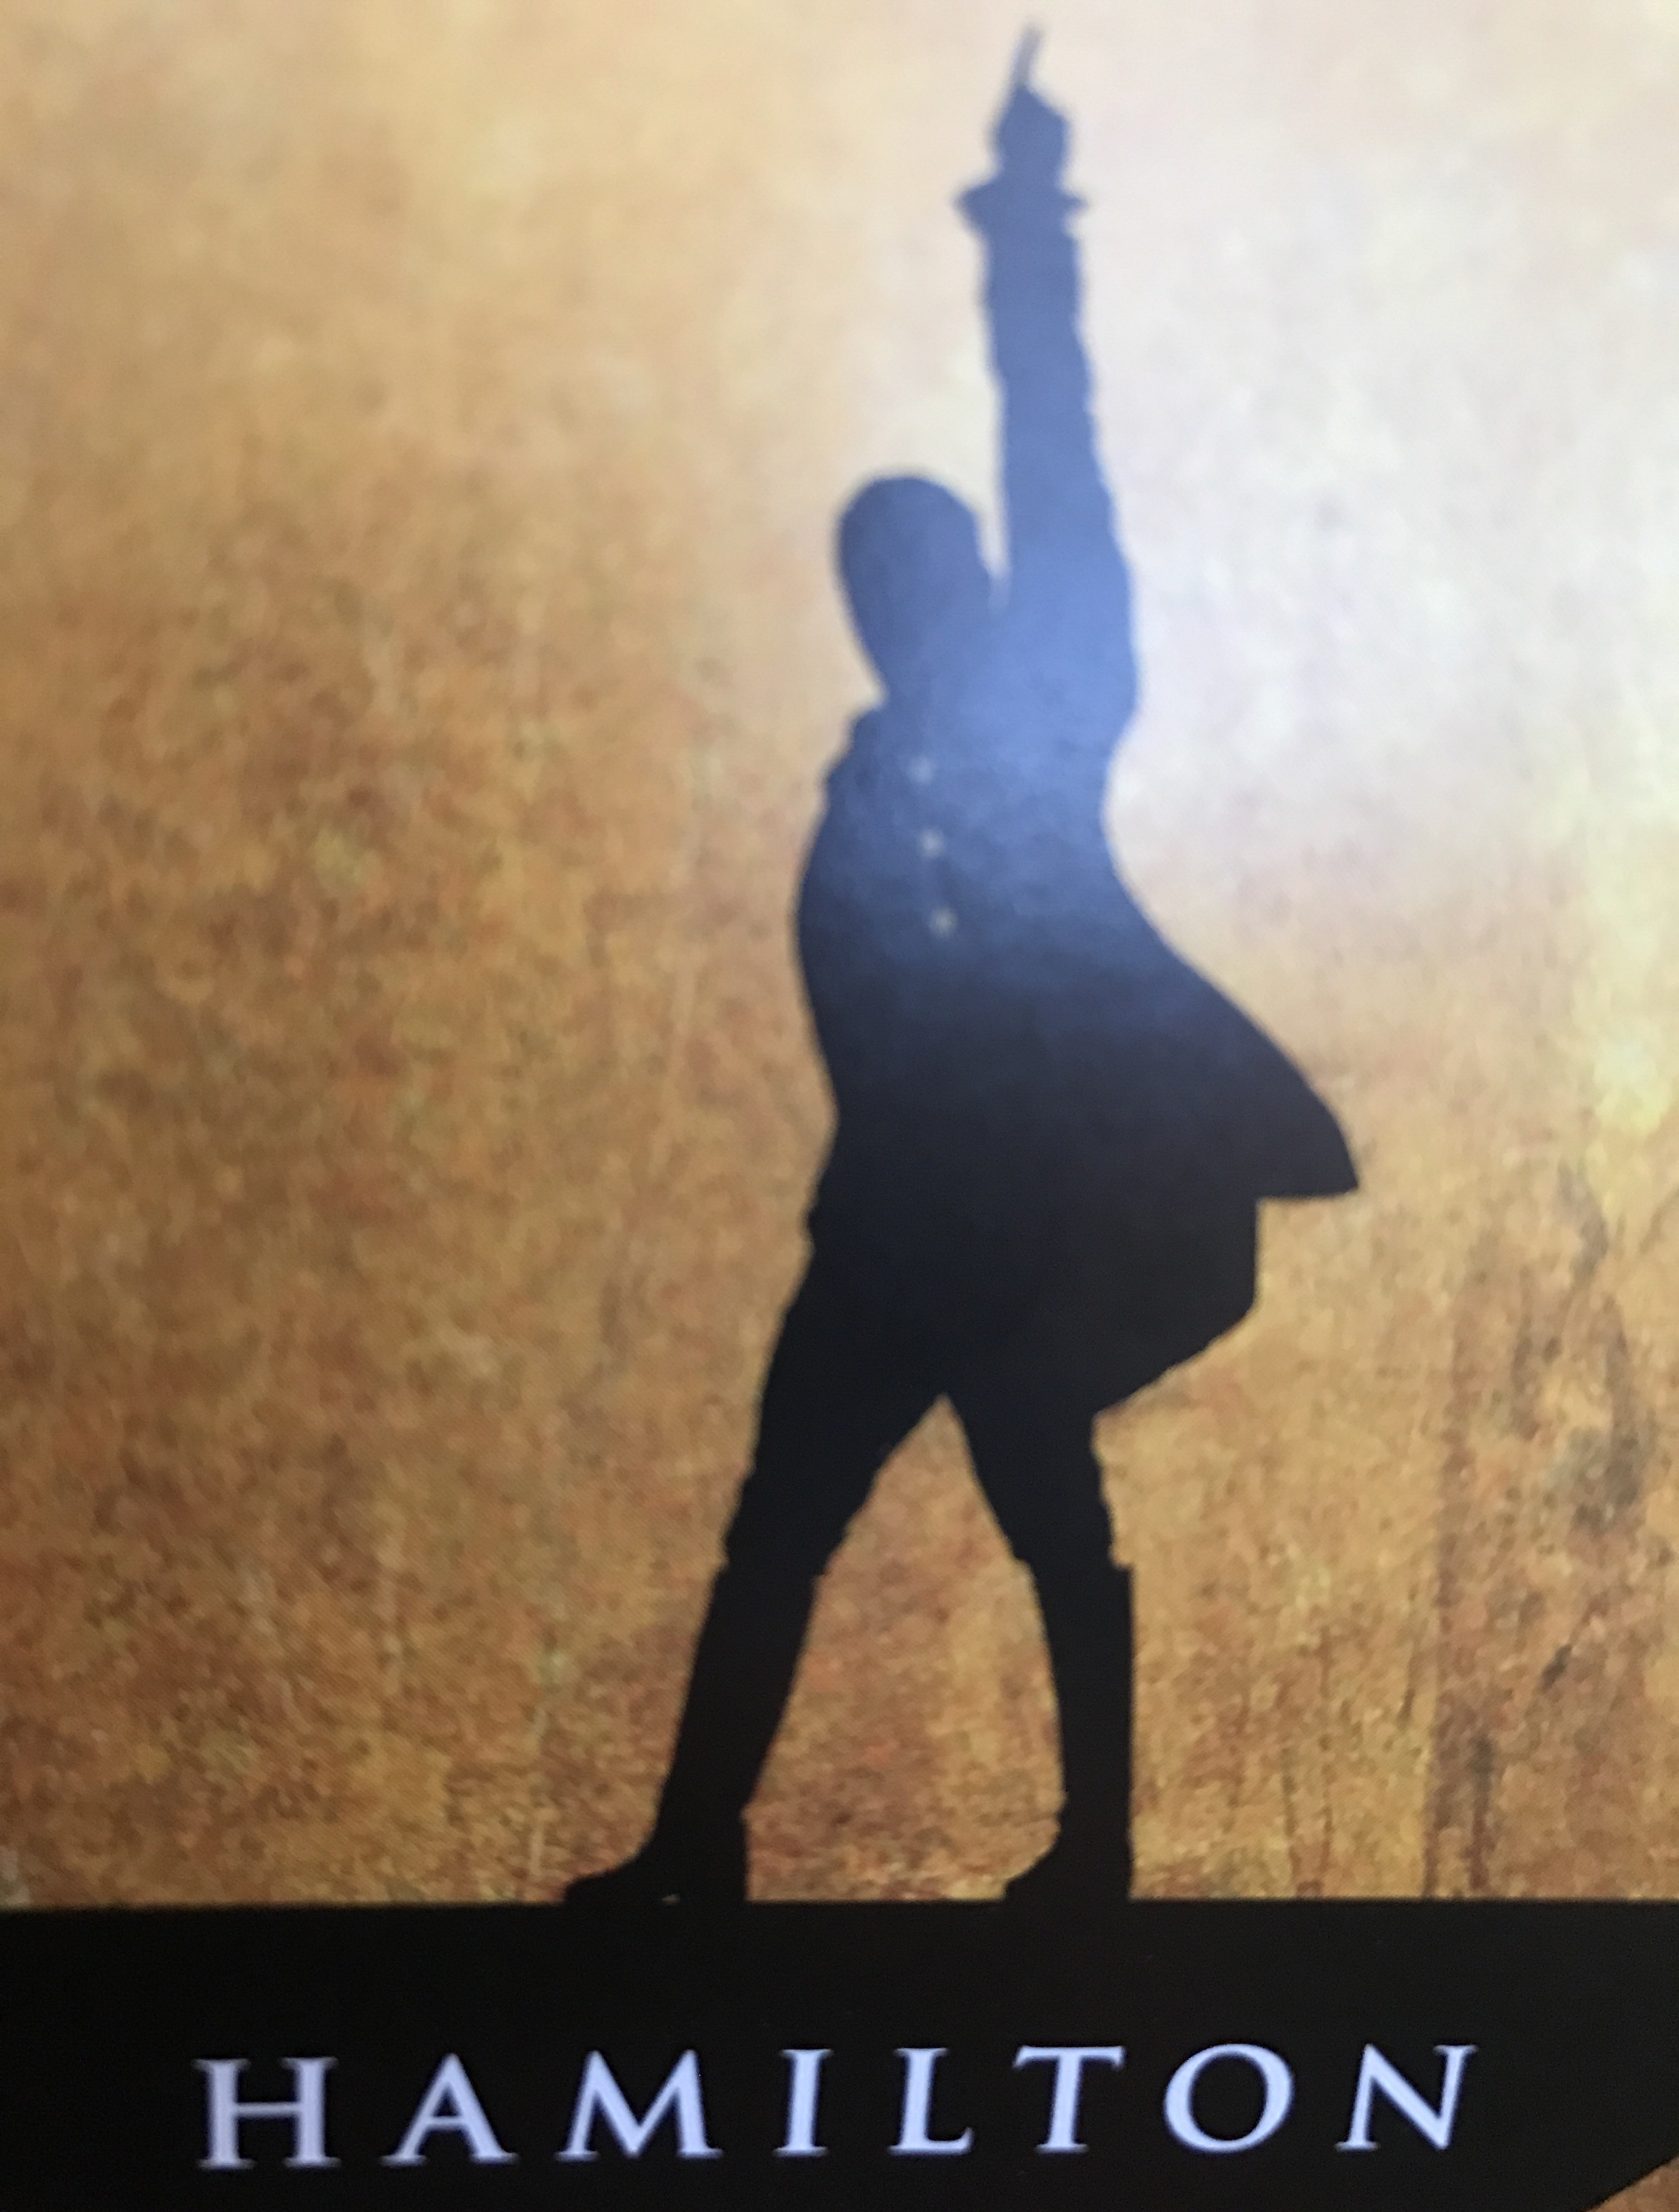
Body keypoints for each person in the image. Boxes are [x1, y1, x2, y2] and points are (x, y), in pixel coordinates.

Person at [566, 41, 1356, 1912]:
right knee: (781, 1530)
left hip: (1030, 1211)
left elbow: (1052, 439)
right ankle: (697, 1844)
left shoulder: (1047, 707)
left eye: (920, 576)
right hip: (888, 1218)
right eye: (876, 587)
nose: (896, 610)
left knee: (1044, 1502)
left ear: (975, 584)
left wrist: (1024, 229)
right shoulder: (865, 782)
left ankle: (1095, 1849)